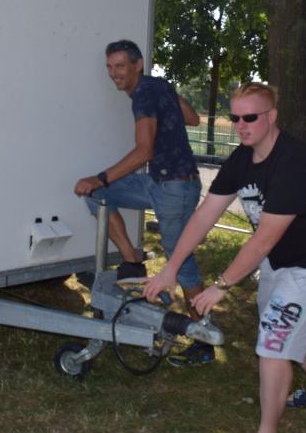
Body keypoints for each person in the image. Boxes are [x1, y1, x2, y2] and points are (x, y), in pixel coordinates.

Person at [144, 82, 306, 432]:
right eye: (235, 118)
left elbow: (263, 241)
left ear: (271, 117)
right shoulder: (242, 159)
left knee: (272, 344)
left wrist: (221, 286)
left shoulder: (295, 162)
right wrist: (171, 268)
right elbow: (204, 216)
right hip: (282, 259)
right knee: (279, 327)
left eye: (250, 117)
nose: (241, 125)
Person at [73, 39, 215, 367]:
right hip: (160, 183)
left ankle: (204, 339)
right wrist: (168, 98)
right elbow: (192, 117)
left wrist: (101, 177)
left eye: (120, 66)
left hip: (174, 188)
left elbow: (144, 151)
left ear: (137, 65)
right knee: (97, 196)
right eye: (109, 67)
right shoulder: (157, 86)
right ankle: (132, 260)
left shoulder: (144, 94)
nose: (114, 74)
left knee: (180, 260)